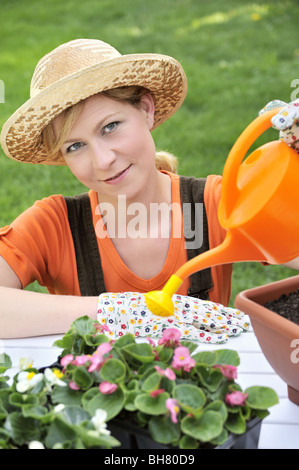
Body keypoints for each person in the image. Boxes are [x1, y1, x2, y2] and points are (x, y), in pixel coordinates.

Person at [0, 39, 298, 340]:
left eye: (110, 126)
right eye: (76, 146)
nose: (103, 160)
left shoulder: (215, 205)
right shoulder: (54, 226)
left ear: (145, 109)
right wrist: (118, 311)